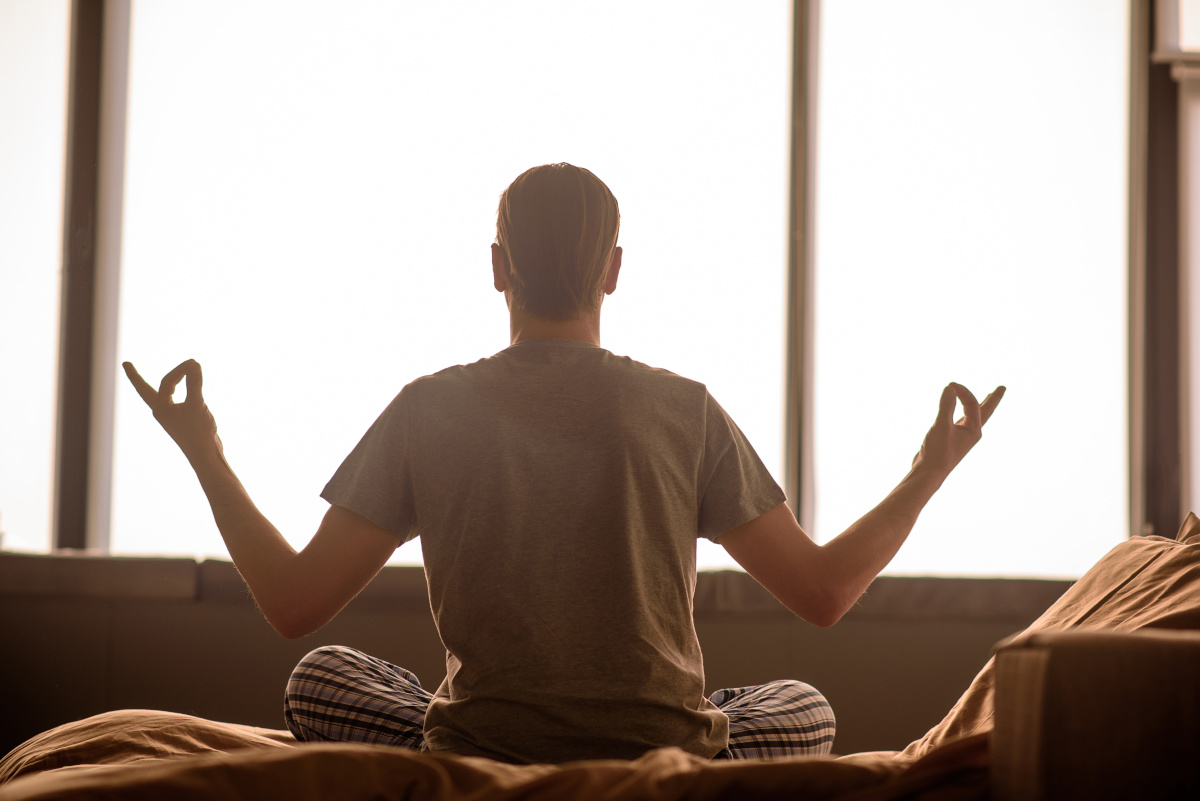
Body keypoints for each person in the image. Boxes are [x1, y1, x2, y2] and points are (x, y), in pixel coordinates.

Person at [124, 162, 1003, 765]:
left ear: (497, 267)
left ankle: (467, 723)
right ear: (613, 272)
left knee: (321, 681)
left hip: (484, 745)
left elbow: (292, 603)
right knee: (805, 706)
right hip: (661, 746)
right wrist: (931, 466)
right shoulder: (683, 407)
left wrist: (204, 452)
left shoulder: (429, 406)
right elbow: (824, 592)